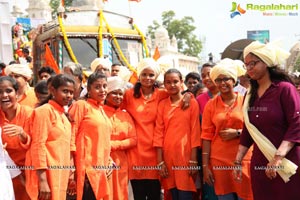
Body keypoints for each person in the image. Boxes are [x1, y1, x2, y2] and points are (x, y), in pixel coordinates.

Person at [234, 41, 300, 200]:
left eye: (253, 64)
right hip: (260, 164)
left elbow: (297, 123)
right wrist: (237, 161)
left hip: (287, 161)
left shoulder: (284, 89)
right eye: (246, 65)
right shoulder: (249, 96)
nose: (249, 69)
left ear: (266, 62)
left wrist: (277, 158)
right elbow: (248, 131)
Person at [123, 58, 191, 200]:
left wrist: (188, 96)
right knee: (139, 194)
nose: (148, 78)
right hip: (136, 152)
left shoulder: (162, 94)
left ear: (156, 77)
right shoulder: (129, 95)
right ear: (139, 75)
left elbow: (179, 94)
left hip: (157, 153)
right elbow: (113, 107)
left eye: (151, 75)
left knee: (155, 194)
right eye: (144, 74)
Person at [202, 58, 253, 200]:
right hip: (219, 160)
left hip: (244, 159)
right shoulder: (210, 105)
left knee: (246, 196)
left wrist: (237, 133)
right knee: (225, 197)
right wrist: (206, 166)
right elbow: (206, 136)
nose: (222, 83)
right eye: (218, 80)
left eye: (226, 79)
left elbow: (257, 129)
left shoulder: (246, 101)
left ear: (234, 80)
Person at [25, 74, 76, 200]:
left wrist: (70, 171)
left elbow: (67, 147)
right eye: (65, 91)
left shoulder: (64, 116)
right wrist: (42, 180)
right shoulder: (44, 111)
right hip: (45, 175)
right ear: (53, 90)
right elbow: (38, 145)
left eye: (71, 92)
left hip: (60, 174)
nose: (69, 96)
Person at [154, 68, 201, 200]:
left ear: (182, 82)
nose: (172, 85)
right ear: (164, 84)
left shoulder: (191, 103)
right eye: (168, 82)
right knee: (173, 194)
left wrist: (193, 160)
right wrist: (160, 162)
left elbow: (195, 132)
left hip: (185, 157)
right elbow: (158, 133)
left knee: (185, 194)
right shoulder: (162, 104)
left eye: (175, 81)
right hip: (168, 157)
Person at [69, 72, 113, 200]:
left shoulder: (101, 109)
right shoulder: (81, 105)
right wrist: (71, 167)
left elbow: (103, 140)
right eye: (97, 87)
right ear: (88, 89)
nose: (102, 90)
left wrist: (109, 160)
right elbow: (71, 135)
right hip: (85, 169)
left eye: (105, 86)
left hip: (101, 168)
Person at [103, 76, 137, 200]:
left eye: (120, 94)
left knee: (121, 194)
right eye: (114, 93)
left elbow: (133, 139)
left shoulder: (125, 115)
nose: (118, 97)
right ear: (106, 95)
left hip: (121, 162)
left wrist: (113, 145)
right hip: (103, 160)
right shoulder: (99, 112)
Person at [0, 76, 33, 200]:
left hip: (28, 172)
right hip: (5, 175)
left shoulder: (29, 113)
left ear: (17, 93)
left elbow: (38, 143)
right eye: (0, 92)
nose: (4, 95)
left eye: (8, 91)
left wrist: (23, 135)